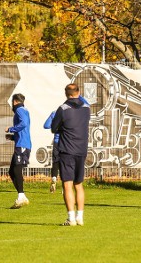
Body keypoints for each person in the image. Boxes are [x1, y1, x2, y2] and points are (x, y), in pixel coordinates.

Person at [50, 83, 91, 226]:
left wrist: (62, 126)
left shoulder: (63, 108)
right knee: (78, 184)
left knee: (67, 185)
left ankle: (71, 218)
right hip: (81, 149)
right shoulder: (87, 108)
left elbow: (53, 128)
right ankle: (80, 217)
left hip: (67, 149)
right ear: (79, 92)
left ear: (66, 93)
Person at [44, 94, 89, 193]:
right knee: (68, 165)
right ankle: (66, 187)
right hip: (68, 143)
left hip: (57, 142)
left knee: (56, 162)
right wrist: (79, 96)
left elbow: (46, 125)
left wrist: (54, 122)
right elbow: (87, 104)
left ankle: (54, 178)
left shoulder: (55, 113)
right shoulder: (71, 113)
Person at [7, 93, 31, 209]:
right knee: (12, 171)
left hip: (22, 145)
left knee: (17, 169)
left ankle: (21, 195)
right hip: (20, 143)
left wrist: (11, 129)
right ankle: (22, 196)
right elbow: (24, 129)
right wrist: (13, 137)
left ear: (15, 101)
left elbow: (24, 124)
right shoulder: (23, 110)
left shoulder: (20, 110)